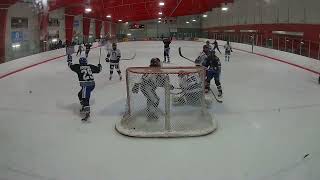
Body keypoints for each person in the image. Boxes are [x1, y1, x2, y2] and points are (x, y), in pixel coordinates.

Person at [67, 56, 102, 122]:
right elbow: (99, 70)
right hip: (92, 84)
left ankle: (87, 113)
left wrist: (69, 60)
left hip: (86, 85)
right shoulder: (90, 66)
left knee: (85, 98)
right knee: (80, 94)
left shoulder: (77, 67)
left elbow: (70, 65)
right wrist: (99, 66)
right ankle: (84, 106)